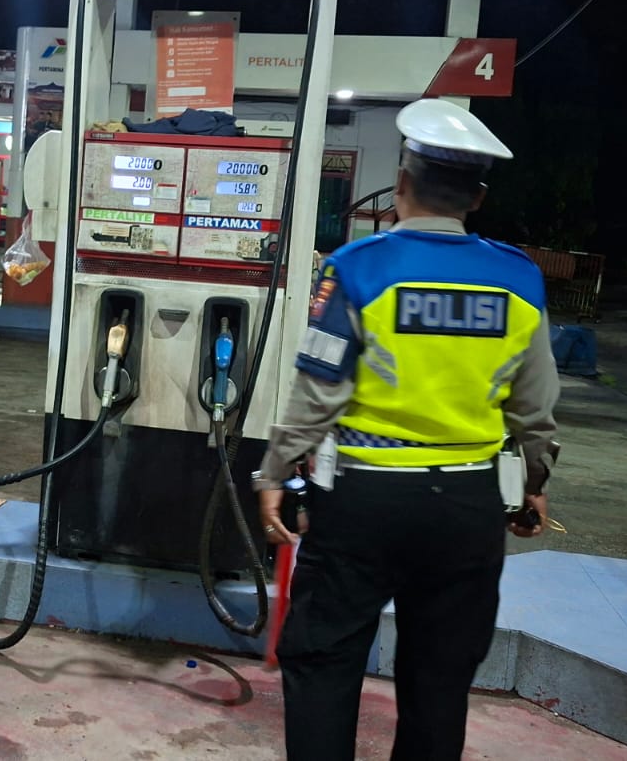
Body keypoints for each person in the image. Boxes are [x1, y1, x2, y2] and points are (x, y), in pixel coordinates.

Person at [255, 98, 561, 760]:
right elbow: (536, 407)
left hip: (362, 502)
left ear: (401, 185)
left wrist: (275, 470)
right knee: (441, 680)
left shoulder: (357, 266)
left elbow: (318, 391)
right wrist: (535, 483)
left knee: (324, 661)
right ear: (476, 198)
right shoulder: (518, 276)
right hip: (469, 504)